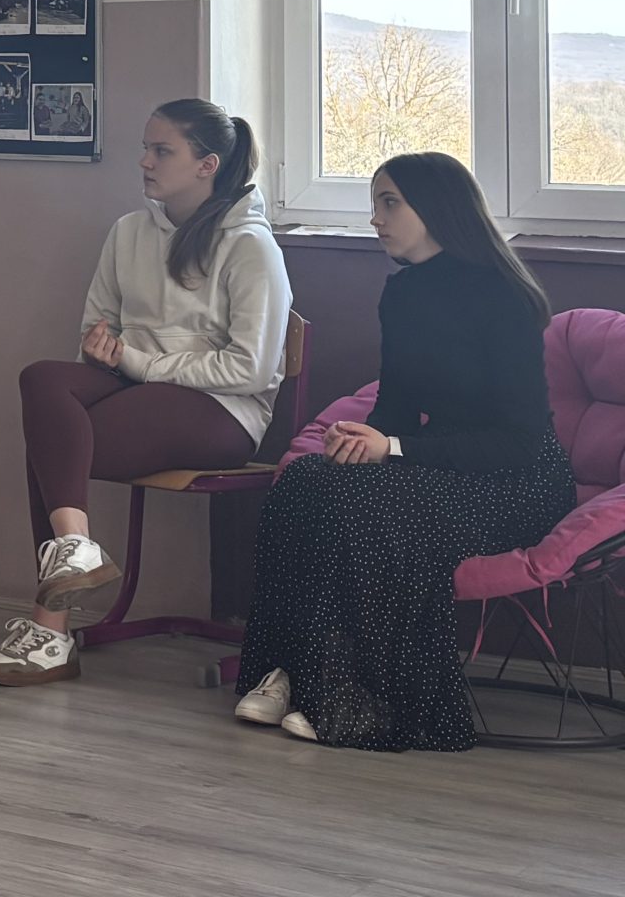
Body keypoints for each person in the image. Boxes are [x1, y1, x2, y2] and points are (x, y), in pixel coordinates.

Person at [232, 153, 570, 749]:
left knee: (375, 510)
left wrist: (391, 447)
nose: (375, 218)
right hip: (437, 461)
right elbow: (394, 407)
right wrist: (358, 441)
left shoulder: (503, 297)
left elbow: (516, 440)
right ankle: (295, 672)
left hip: (515, 479)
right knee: (306, 481)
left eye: (390, 203)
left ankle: (362, 699)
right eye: (375, 203)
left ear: (437, 209)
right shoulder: (403, 294)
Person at [0, 99, 291, 685]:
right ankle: (75, 547)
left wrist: (139, 362)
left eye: (161, 151)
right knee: (41, 379)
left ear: (207, 164)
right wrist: (102, 350)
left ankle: (50, 631)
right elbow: (97, 327)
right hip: (132, 384)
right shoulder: (128, 232)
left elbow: (250, 370)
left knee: (53, 448)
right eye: (145, 148)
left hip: (222, 411)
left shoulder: (251, 246)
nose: (145, 161)